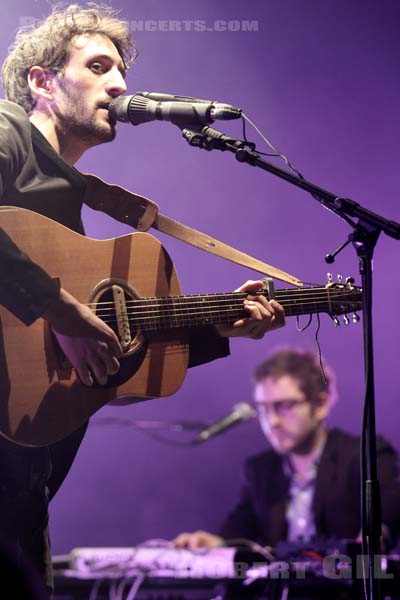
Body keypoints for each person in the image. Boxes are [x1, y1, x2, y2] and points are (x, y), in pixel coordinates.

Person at [0, 3, 285, 596]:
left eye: (121, 73)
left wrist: (217, 329)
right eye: (99, 66)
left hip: (26, 488)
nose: (120, 86)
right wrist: (60, 310)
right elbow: (65, 319)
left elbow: (109, 359)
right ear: (41, 81)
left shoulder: (70, 208)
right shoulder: (6, 132)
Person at [174, 348, 400, 551]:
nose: (272, 421)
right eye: (263, 409)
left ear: (320, 405)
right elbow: (238, 531)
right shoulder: (260, 470)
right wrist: (214, 543)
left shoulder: (364, 455)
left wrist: (378, 533)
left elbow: (389, 511)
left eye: (284, 406)